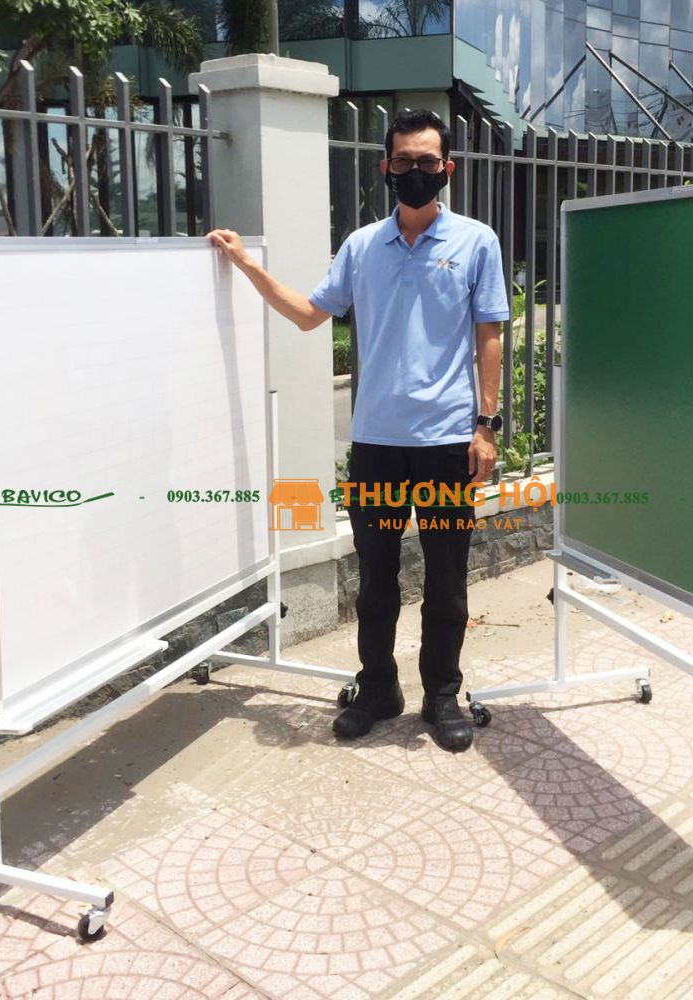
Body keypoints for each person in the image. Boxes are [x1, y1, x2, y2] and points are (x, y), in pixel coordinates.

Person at [207, 108, 508, 752]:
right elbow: (308, 314)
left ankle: (441, 693)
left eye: (427, 161)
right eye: (404, 161)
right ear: (385, 167)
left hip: (447, 444)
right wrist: (245, 264)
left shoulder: (476, 242)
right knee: (375, 579)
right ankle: (378, 689)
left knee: (447, 579)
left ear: (447, 168)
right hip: (375, 444)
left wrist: (485, 426)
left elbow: (490, 335)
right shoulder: (362, 246)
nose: (415, 171)